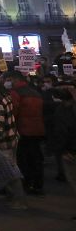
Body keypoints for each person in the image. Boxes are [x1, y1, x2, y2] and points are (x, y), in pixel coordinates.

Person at [0, 76, 27, 209]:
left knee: (10, 172)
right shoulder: (6, 97)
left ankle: (19, 201)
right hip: (12, 138)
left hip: (3, 143)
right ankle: (12, 196)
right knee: (9, 169)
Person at [8, 71, 46, 194]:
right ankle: (38, 185)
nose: (9, 83)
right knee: (36, 157)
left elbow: (13, 111)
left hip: (23, 130)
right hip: (38, 129)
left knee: (24, 159)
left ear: (15, 79)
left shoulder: (15, 92)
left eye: (10, 80)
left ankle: (26, 183)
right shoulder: (36, 92)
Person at [48, 88, 76, 218]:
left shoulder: (62, 111)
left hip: (70, 151)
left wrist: (64, 150)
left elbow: (62, 132)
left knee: (73, 179)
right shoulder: (64, 110)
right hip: (70, 150)